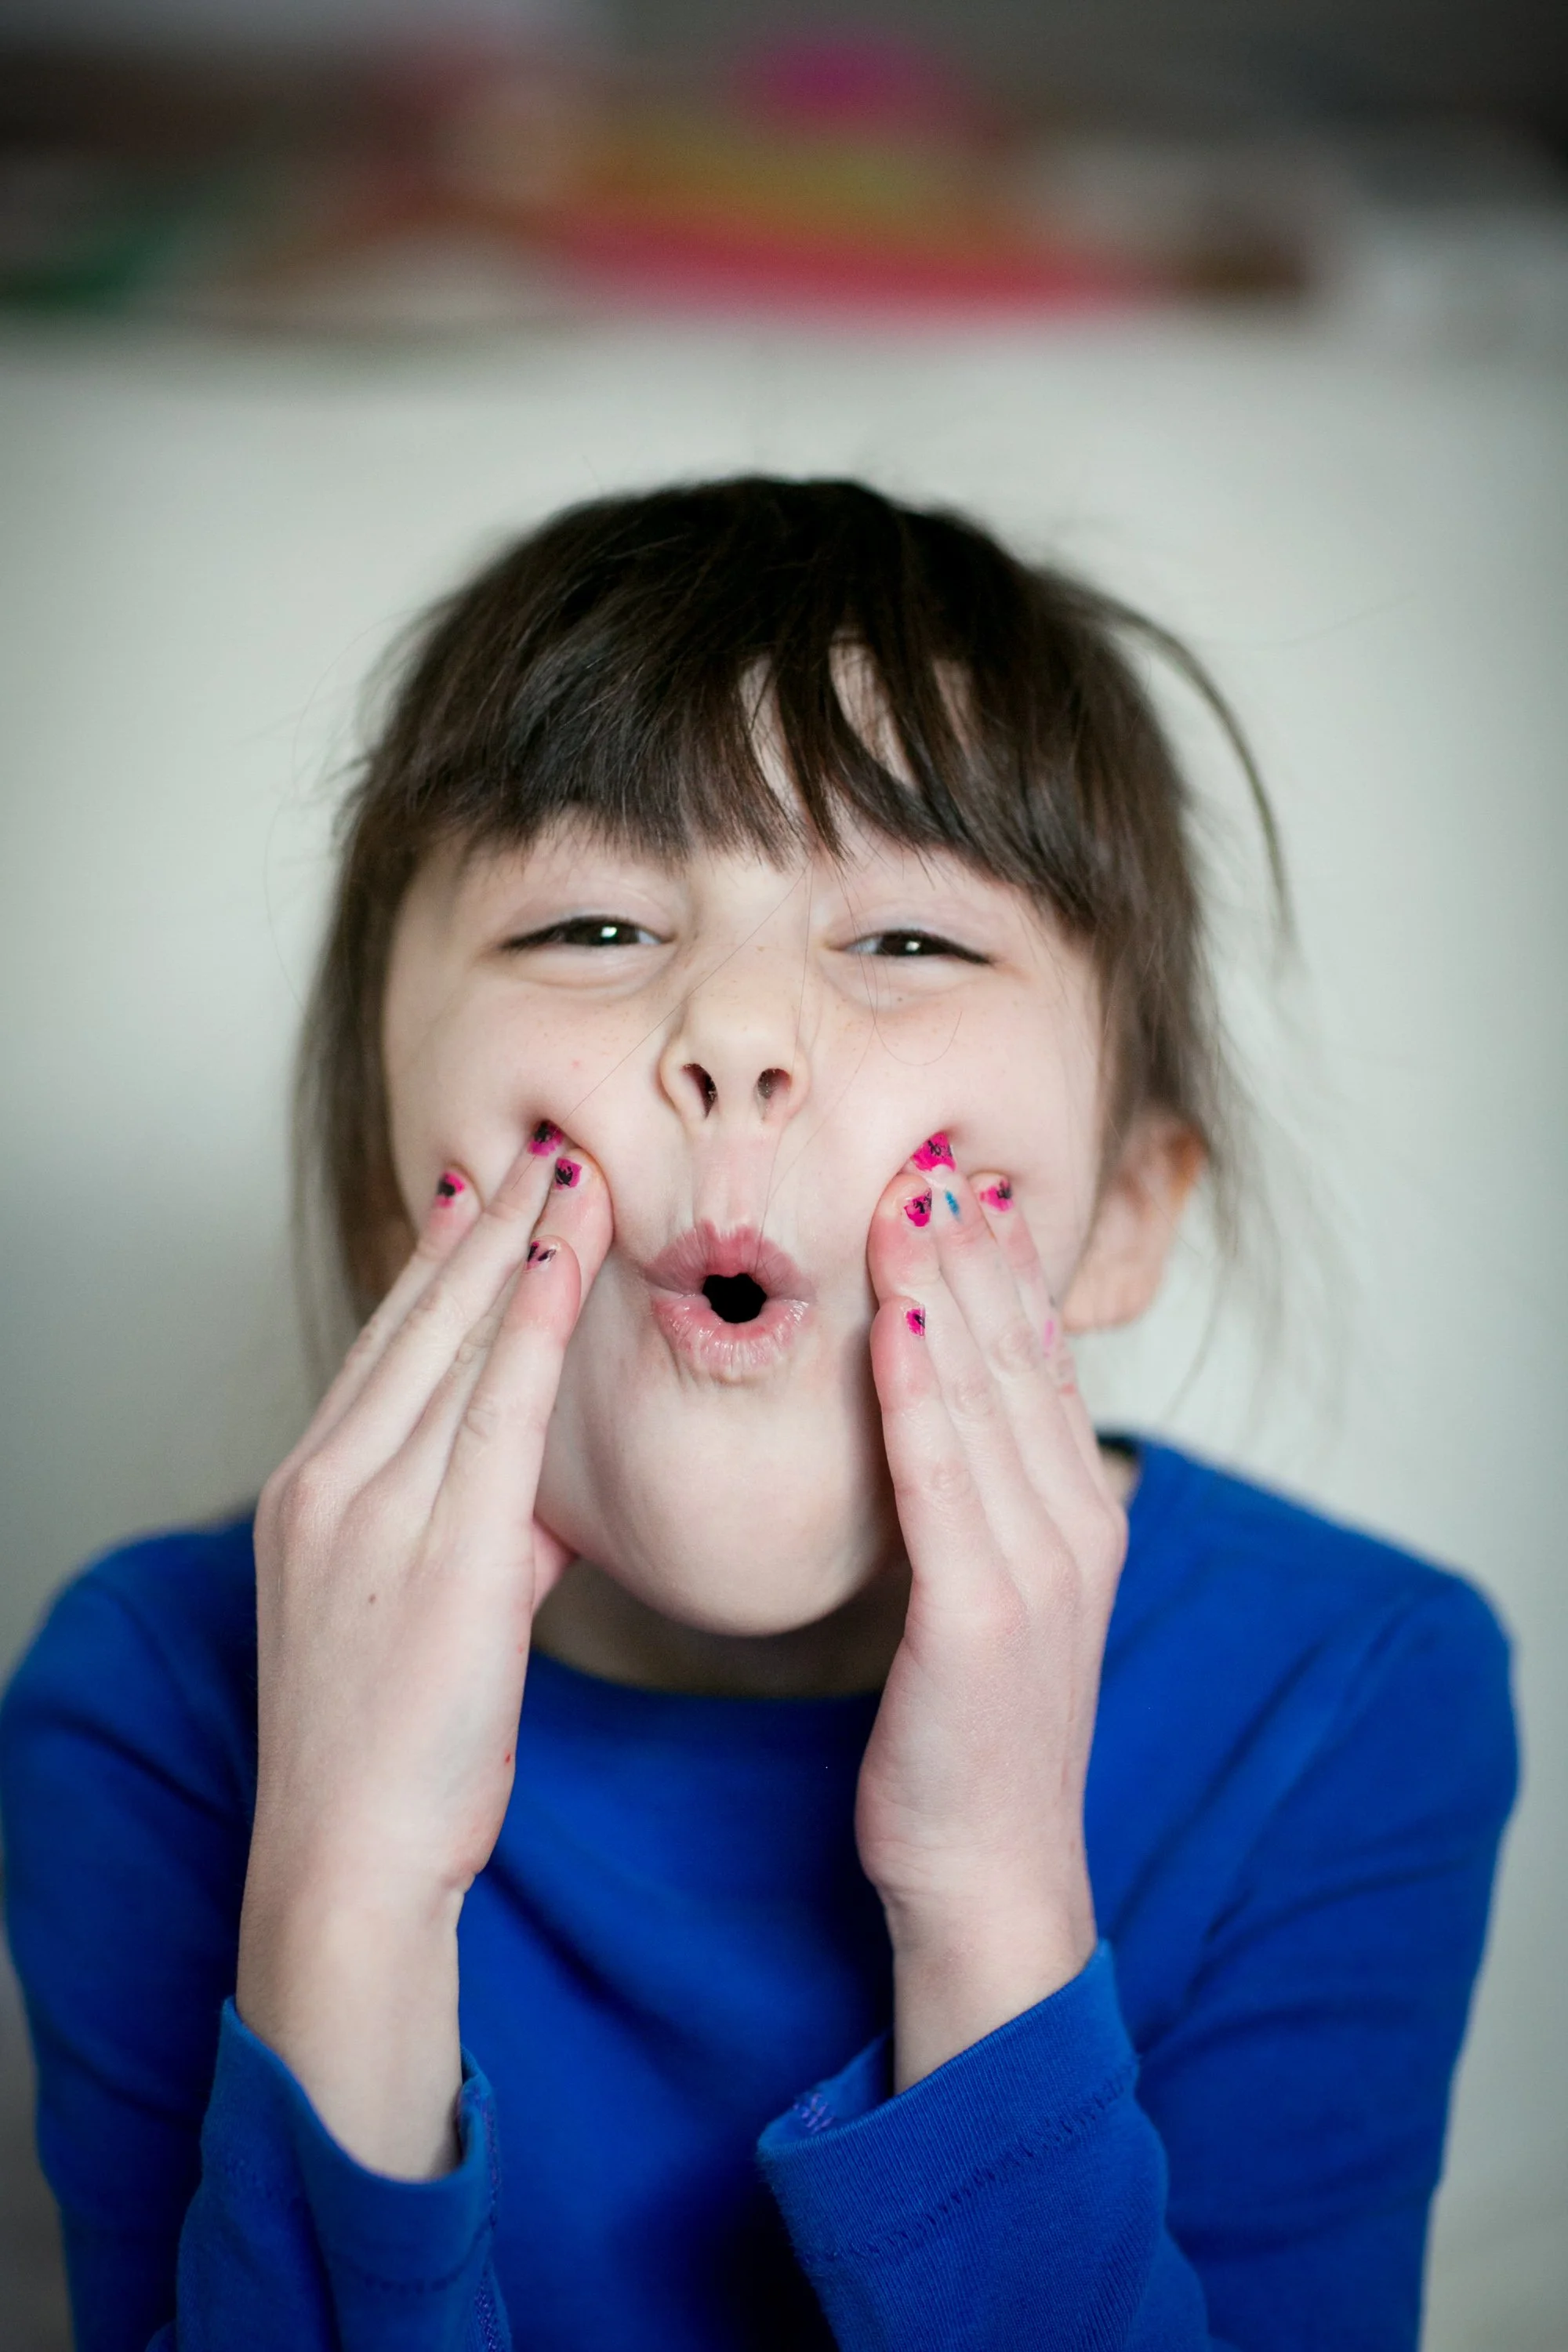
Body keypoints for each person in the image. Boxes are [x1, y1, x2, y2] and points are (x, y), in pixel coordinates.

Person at [0, 478, 1515, 2352]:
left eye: (904, 944)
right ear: (402, 1192)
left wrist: (984, 1904)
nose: (736, 1028)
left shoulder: (1353, 1694)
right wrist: (349, 1891)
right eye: (590, 924)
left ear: (1124, 1212)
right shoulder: (154, 1699)